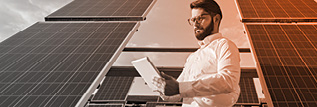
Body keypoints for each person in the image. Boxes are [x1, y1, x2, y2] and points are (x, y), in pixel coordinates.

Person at [152, 0, 241, 106]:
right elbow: (177, 93)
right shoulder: (192, 57)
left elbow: (228, 81)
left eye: (201, 18)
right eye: (193, 20)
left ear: (216, 19)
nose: (195, 24)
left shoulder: (225, 45)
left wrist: (179, 88)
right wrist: (164, 88)